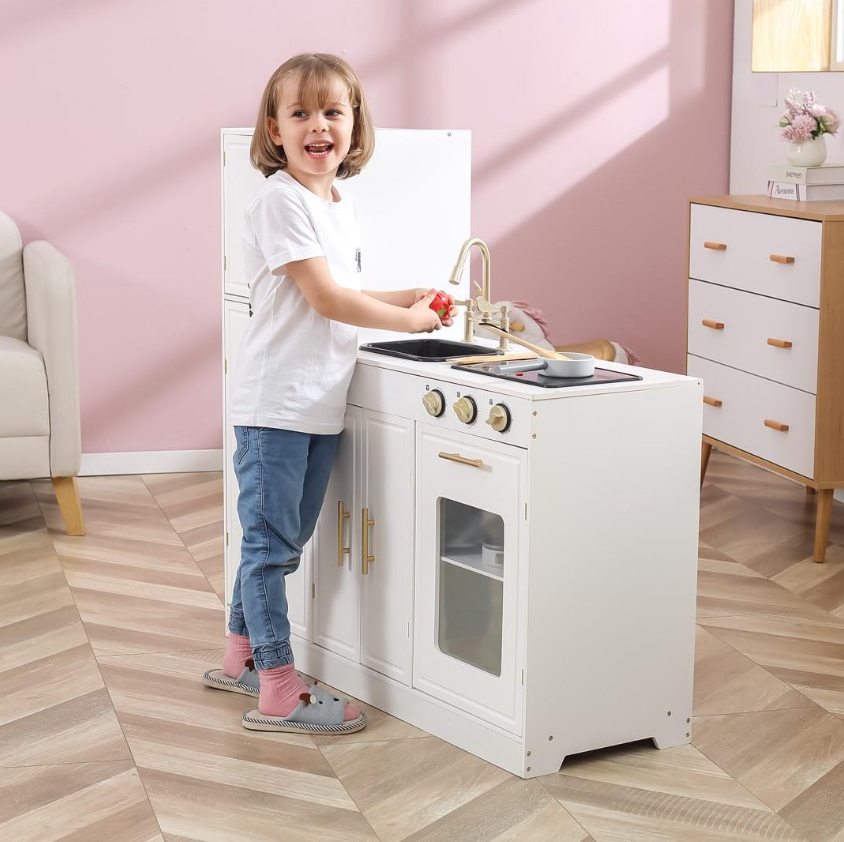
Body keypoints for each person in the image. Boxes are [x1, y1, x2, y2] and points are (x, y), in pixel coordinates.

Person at [203, 53, 456, 734]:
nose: (319, 126)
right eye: (301, 112)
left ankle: (239, 658)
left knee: (277, 544)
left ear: (354, 124)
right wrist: (408, 320)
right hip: (276, 404)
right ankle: (278, 689)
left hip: (314, 400)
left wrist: (406, 296)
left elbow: (343, 288)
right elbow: (324, 298)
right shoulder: (280, 199)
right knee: (269, 548)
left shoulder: (334, 203)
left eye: (333, 112)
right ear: (274, 127)